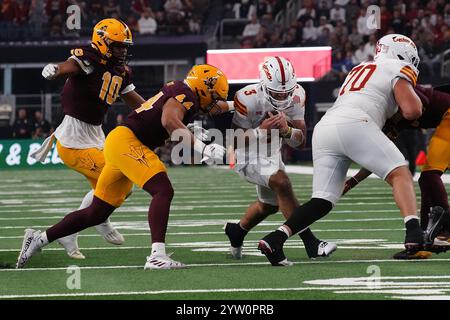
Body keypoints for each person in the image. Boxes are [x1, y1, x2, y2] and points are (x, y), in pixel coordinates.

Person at [17, 64, 229, 270]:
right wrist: (203, 148)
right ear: (203, 87)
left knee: (97, 213)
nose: (214, 103)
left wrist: (233, 105)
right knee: (162, 190)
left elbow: (165, 115)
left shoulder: (182, 90)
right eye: (214, 97)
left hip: (120, 141)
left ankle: (38, 239)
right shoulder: (186, 94)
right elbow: (168, 120)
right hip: (128, 142)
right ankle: (157, 256)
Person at [257, 34, 442, 266]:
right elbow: (412, 110)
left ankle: (275, 238)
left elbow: (367, 143)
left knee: (322, 200)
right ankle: (413, 233)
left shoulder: (360, 68)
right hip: (356, 122)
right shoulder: (398, 66)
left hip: (327, 127)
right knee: (400, 172)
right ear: (404, 54)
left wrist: (353, 181)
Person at [30, 18, 146, 259]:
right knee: (122, 178)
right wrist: (54, 70)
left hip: (95, 135)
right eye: (118, 45)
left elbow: (137, 102)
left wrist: (160, 113)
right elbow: (68, 66)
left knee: (119, 187)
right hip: (73, 139)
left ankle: (95, 219)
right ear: (102, 43)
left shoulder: (121, 71)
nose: (123, 51)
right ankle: (88, 222)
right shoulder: (89, 58)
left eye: (125, 46)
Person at [225, 56, 336, 264]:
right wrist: (260, 131)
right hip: (247, 154)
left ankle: (237, 231)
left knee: (269, 205)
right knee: (281, 182)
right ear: (264, 86)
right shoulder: (247, 97)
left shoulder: (298, 95)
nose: (283, 97)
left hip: (272, 153)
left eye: (286, 92)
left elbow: (300, 143)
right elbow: (235, 141)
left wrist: (287, 131)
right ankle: (311, 243)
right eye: (277, 93)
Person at [343, 84, 450, 259]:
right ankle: (422, 242)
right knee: (427, 179)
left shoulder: (402, 95)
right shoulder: (391, 118)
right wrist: (353, 181)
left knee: (430, 175)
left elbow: (422, 102)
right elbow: (378, 157)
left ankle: (446, 228)